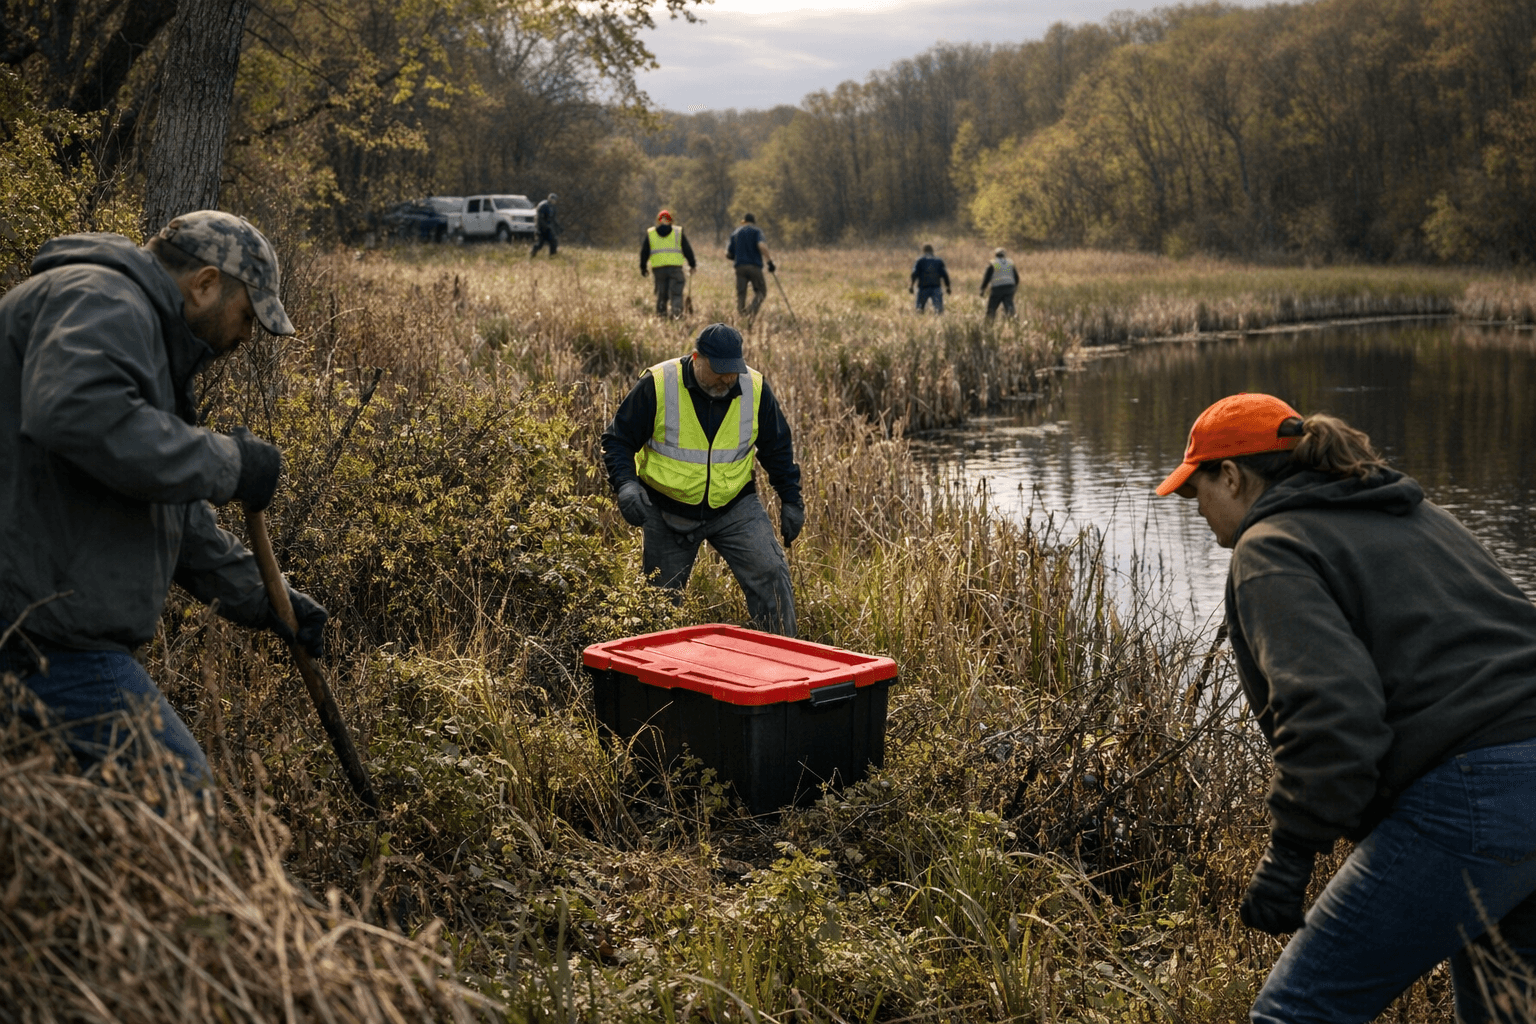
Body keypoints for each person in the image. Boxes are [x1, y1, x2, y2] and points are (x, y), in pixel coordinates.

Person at [1158, 392, 1536, 1024]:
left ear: (1231, 475)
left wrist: (1289, 859)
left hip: (1475, 796)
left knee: (1296, 1012)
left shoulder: (1270, 546)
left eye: (1196, 492)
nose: (1197, 510)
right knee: (1505, 1012)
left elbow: (1333, 714)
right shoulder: (1417, 516)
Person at [0, 210, 328, 791]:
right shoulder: (103, 300)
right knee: (176, 787)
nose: (247, 336)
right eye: (248, 315)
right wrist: (228, 464)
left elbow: (165, 511)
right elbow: (75, 414)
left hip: (45, 622)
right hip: (34, 633)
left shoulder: (137, 328)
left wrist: (266, 600)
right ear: (205, 283)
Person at [601, 323, 802, 636]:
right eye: (719, 370)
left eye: (732, 370)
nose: (727, 378)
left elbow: (777, 448)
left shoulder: (754, 388)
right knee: (659, 608)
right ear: (696, 358)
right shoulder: (659, 384)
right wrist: (626, 485)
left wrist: (791, 499)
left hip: (734, 506)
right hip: (666, 510)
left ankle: (785, 664)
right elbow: (618, 439)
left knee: (771, 574)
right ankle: (658, 679)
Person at [639, 209, 696, 318]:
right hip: (675, 269)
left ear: (658, 221)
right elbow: (687, 249)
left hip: (658, 270)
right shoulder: (678, 232)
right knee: (676, 294)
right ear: (671, 220)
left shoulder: (651, 233)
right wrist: (692, 264)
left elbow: (644, 252)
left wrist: (643, 267)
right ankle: (677, 316)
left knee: (661, 294)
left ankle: (661, 317)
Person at [724, 213, 774, 319]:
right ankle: (751, 312)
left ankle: (741, 316)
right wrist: (769, 262)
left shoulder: (735, 233)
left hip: (739, 267)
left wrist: (738, 256)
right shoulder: (756, 231)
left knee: (741, 293)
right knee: (761, 291)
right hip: (754, 266)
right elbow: (762, 246)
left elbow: (728, 254)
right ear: (753, 222)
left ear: (744, 221)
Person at [908, 243, 950, 313]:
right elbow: (945, 275)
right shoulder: (939, 261)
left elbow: (914, 274)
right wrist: (948, 287)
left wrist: (911, 285)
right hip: (936, 288)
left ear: (924, 250)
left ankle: (920, 322)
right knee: (939, 310)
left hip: (923, 288)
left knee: (919, 309)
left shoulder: (920, 261)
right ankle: (938, 323)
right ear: (932, 251)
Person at [979, 247, 1018, 320]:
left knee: (992, 308)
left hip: (997, 288)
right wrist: (1015, 288)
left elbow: (987, 278)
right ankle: (1014, 324)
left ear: (995, 255)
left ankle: (988, 325)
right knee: (1009, 308)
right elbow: (1016, 277)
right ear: (1004, 255)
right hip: (1009, 288)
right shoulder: (1010, 263)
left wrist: (982, 289)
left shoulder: (993, 263)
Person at [531, 193, 558, 257]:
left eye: (555, 200)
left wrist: (558, 226)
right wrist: (545, 226)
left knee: (553, 241)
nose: (553, 201)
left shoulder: (553, 207)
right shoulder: (544, 205)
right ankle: (532, 253)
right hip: (541, 228)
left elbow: (553, 219)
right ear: (549, 199)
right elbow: (540, 219)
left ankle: (552, 256)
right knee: (540, 243)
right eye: (552, 199)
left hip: (549, 228)